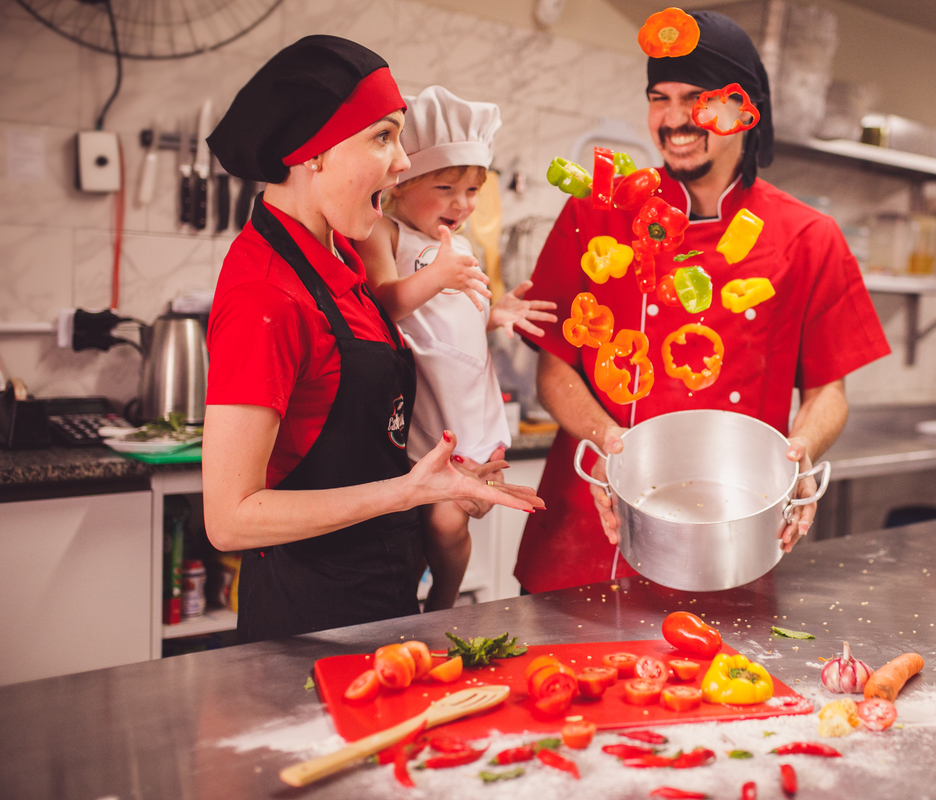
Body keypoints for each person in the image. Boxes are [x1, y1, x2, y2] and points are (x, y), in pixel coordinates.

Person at [513, 12, 891, 594]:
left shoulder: (808, 236)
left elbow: (827, 392)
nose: (673, 119)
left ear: (745, 110)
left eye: (697, 99)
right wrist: (609, 445)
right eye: (659, 98)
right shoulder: (596, 214)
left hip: (732, 539)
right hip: (592, 538)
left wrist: (797, 458)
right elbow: (554, 365)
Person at [201, 36, 543, 644]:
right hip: (308, 622)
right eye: (382, 137)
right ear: (313, 153)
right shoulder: (267, 294)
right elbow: (229, 519)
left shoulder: (343, 263)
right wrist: (409, 490)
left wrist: (444, 484)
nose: (403, 162)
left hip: (383, 592)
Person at [352, 85, 556, 610]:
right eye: (446, 187)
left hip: (471, 406)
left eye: (473, 190)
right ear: (399, 184)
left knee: (450, 518)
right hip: (425, 409)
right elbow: (381, 305)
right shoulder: (385, 235)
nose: (462, 204)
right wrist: (438, 276)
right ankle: (436, 604)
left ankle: (442, 605)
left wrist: (495, 314)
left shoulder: (460, 245)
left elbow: (454, 323)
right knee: (433, 517)